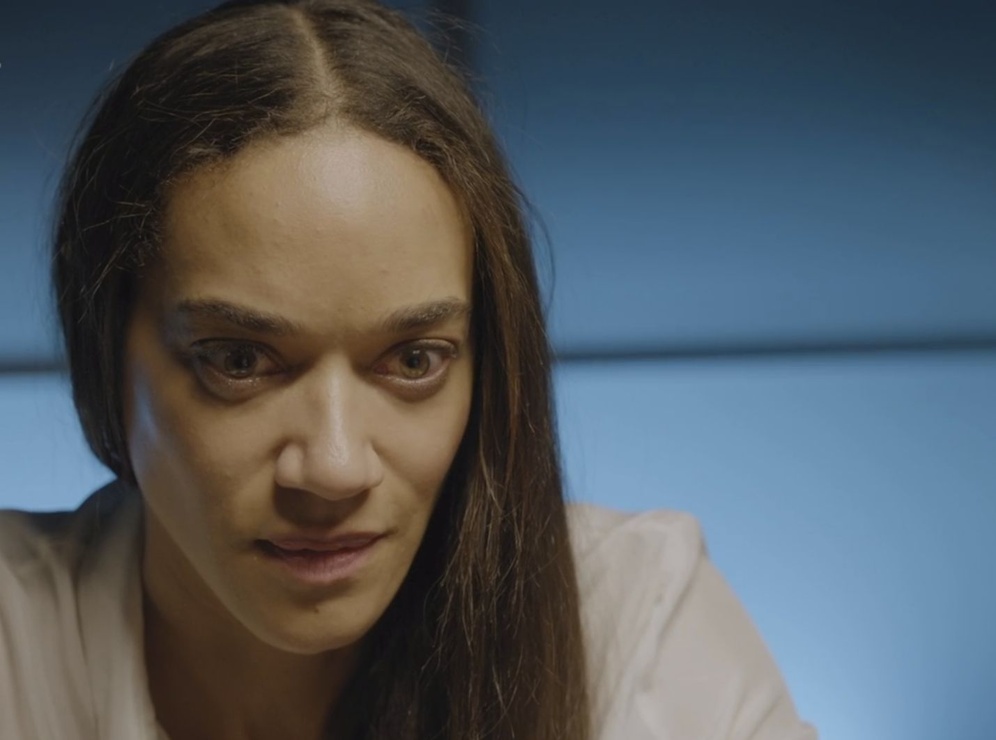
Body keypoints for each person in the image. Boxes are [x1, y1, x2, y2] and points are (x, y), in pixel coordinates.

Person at [0, 1, 818, 738]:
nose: (333, 468)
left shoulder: (635, 632)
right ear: (105, 354)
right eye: (239, 361)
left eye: (414, 361)